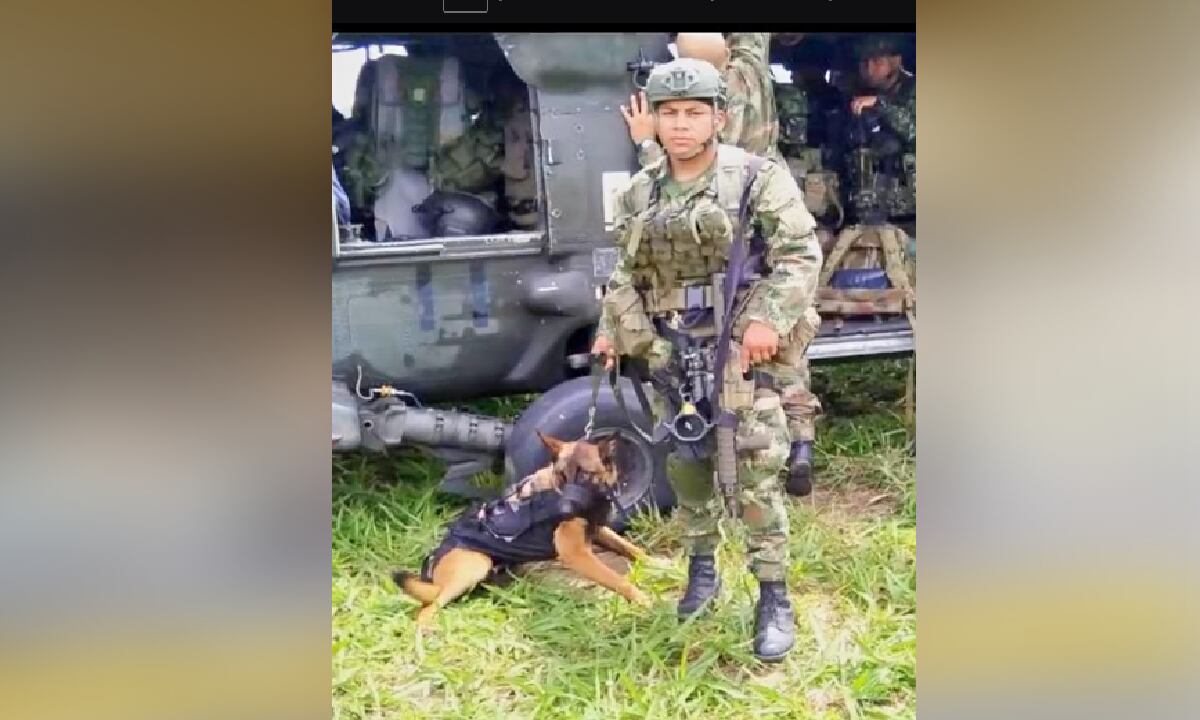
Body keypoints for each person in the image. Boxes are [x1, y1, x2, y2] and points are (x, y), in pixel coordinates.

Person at [595, 58, 823, 662]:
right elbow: (626, 270)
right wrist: (609, 332)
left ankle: (772, 594)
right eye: (670, 114)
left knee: (755, 470)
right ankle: (702, 568)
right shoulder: (641, 189)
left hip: (738, 348)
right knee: (687, 464)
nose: (681, 125)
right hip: (669, 350)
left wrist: (767, 320)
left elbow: (801, 253)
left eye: (695, 112)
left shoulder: (755, 177)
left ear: (719, 117)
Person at [621, 33, 822, 496]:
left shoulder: (703, 110)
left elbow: (682, 178)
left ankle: (745, 454)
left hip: (736, 229)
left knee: (739, 352)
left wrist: (645, 142)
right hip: (774, 213)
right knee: (788, 334)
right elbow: (752, 39)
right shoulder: (752, 73)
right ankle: (802, 443)